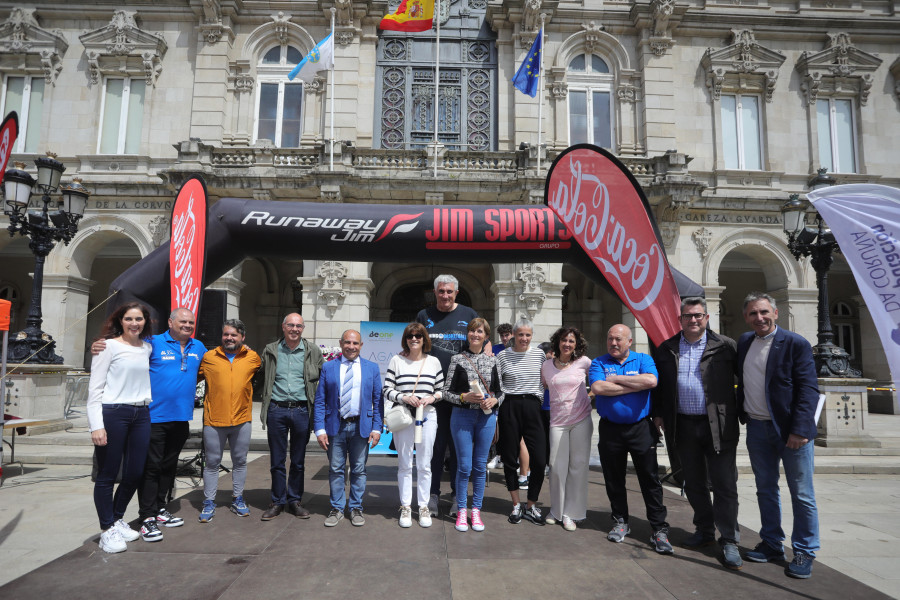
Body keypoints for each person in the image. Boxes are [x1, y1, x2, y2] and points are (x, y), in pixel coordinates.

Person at [91, 308, 204, 543]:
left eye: (191, 322)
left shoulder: (197, 347)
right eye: (182, 321)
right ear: (170, 322)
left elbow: (214, 364)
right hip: (151, 417)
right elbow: (119, 352)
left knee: (165, 468)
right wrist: (98, 345)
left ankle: (157, 509)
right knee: (147, 469)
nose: (187, 325)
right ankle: (146, 516)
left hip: (179, 418)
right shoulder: (152, 343)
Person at [652, 297, 741, 569]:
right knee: (692, 482)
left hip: (718, 424)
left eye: (698, 315)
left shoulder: (726, 346)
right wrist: (658, 413)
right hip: (682, 425)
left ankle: (729, 539)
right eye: (688, 316)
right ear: (680, 320)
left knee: (724, 485)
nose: (693, 320)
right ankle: (704, 530)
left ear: (707, 317)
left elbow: (745, 380)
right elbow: (660, 386)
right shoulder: (667, 348)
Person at [737, 292, 820, 579]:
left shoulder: (795, 343)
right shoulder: (745, 342)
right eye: (752, 314)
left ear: (775, 313)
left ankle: (804, 550)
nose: (759, 318)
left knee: (802, 494)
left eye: (764, 312)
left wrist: (799, 429)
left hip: (790, 432)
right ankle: (772, 542)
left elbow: (808, 390)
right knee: (765, 489)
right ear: (746, 316)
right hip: (757, 428)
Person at [590, 324, 673, 555]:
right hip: (610, 430)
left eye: (618, 339)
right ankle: (620, 521)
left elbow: (651, 382)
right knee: (613, 479)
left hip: (640, 429)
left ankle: (658, 529)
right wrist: (633, 385)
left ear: (629, 341)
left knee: (650, 480)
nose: (613, 343)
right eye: (610, 339)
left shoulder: (643, 359)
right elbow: (597, 387)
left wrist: (615, 380)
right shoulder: (599, 362)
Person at [87, 302, 153, 553]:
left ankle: (116, 518)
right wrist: (96, 425)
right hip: (114, 412)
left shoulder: (147, 348)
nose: (134, 323)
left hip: (142, 413)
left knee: (135, 472)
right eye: (129, 319)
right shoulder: (107, 346)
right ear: (120, 321)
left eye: (139, 319)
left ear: (145, 321)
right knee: (107, 474)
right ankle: (106, 529)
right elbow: (95, 389)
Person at [416, 274, 478, 517]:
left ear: (456, 293)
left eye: (449, 292)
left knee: (459, 449)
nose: (445, 295)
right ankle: (432, 495)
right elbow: (415, 343)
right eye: (441, 291)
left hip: (460, 395)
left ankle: (457, 496)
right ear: (435, 292)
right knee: (435, 447)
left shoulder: (469, 314)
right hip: (432, 393)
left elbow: (480, 340)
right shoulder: (424, 316)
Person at [258, 313, 324, 521]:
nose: (295, 329)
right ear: (283, 327)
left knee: (298, 461)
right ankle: (277, 501)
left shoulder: (313, 351)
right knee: (277, 460)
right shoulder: (270, 350)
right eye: (291, 325)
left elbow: (324, 381)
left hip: (302, 411)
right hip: (276, 410)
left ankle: (294, 500)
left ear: (303, 328)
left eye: (298, 326)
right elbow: (259, 375)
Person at [314, 330, 383, 527]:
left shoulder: (372, 368)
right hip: (335, 426)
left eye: (355, 343)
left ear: (361, 345)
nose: (351, 346)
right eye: (347, 342)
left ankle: (355, 507)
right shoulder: (329, 367)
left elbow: (378, 401)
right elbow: (320, 400)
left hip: (361, 425)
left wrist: (377, 428)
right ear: (341, 343)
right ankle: (336, 507)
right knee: (336, 469)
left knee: (359, 469)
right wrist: (319, 429)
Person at [197, 319, 261, 522]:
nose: (229, 338)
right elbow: (192, 377)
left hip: (242, 420)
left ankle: (238, 497)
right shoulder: (209, 357)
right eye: (226, 334)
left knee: (240, 461)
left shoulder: (253, 358)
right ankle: (208, 501)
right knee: (212, 462)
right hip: (214, 420)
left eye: (234, 335)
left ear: (242, 337)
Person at [384, 322, 445, 528]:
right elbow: (387, 389)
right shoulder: (396, 360)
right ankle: (405, 506)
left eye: (418, 335)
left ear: (424, 338)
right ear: (406, 339)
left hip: (427, 416)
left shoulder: (433, 361)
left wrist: (431, 398)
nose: (414, 339)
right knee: (404, 463)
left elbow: (441, 389)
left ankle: (424, 506)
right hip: (404, 417)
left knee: (425, 464)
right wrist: (403, 397)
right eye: (411, 336)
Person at [444, 318, 502, 532]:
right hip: (462, 417)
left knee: (480, 467)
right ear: (467, 334)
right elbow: (445, 393)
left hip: (486, 417)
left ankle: (475, 511)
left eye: (479, 331)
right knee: (464, 466)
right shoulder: (457, 359)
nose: (475, 335)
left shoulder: (493, 361)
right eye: (471, 331)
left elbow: (501, 392)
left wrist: (495, 400)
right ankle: (461, 510)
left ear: (486, 336)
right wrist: (463, 397)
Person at [496, 317, 547, 525]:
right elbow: (498, 385)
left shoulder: (539, 354)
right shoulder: (502, 356)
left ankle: (531, 504)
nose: (524, 338)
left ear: (531, 336)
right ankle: (516, 504)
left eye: (528, 335)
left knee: (540, 459)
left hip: (533, 407)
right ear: (513, 336)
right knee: (509, 457)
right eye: (520, 334)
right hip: (510, 406)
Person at [541, 327, 592, 532]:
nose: (567, 344)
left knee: (577, 467)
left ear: (576, 344)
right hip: (558, 422)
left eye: (571, 341)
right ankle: (556, 510)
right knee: (556, 466)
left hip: (581, 420)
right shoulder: (546, 366)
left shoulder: (584, 362)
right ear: (557, 342)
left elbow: (598, 381)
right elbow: (545, 386)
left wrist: (590, 396)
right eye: (564, 340)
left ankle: (572, 513)